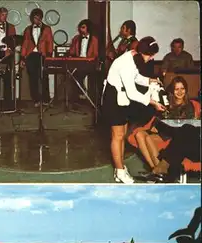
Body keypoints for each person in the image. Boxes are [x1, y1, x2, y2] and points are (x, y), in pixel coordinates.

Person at [102, 36, 166, 183]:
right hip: (113, 99)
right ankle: (120, 172)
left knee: (122, 134)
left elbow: (135, 77)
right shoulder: (126, 63)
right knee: (117, 136)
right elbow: (132, 93)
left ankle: (121, 169)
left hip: (122, 97)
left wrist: (150, 80)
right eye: (150, 55)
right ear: (143, 52)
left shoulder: (133, 55)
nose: (151, 59)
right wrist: (153, 102)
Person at [134, 76, 200, 179]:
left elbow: (185, 127)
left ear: (186, 90)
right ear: (173, 91)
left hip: (178, 135)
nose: (179, 92)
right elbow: (161, 121)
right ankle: (156, 170)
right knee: (139, 134)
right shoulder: (168, 104)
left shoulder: (190, 105)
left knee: (148, 138)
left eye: (182, 88)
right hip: (166, 132)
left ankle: (159, 171)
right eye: (176, 89)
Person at [20, 8, 53, 107]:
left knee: (44, 77)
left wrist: (49, 57)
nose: (37, 19)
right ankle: (36, 100)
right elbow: (25, 44)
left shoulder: (47, 29)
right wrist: (22, 58)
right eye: (35, 18)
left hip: (42, 55)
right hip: (31, 55)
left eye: (39, 17)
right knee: (33, 78)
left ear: (41, 18)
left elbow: (50, 43)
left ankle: (46, 99)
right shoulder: (27, 29)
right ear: (32, 19)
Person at [68, 19, 99, 101]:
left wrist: (89, 59)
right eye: (80, 27)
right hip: (78, 61)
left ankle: (84, 94)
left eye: (83, 27)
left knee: (80, 75)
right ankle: (80, 95)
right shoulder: (76, 38)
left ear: (88, 28)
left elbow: (95, 54)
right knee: (73, 75)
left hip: (89, 62)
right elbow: (72, 51)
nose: (81, 29)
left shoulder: (94, 40)